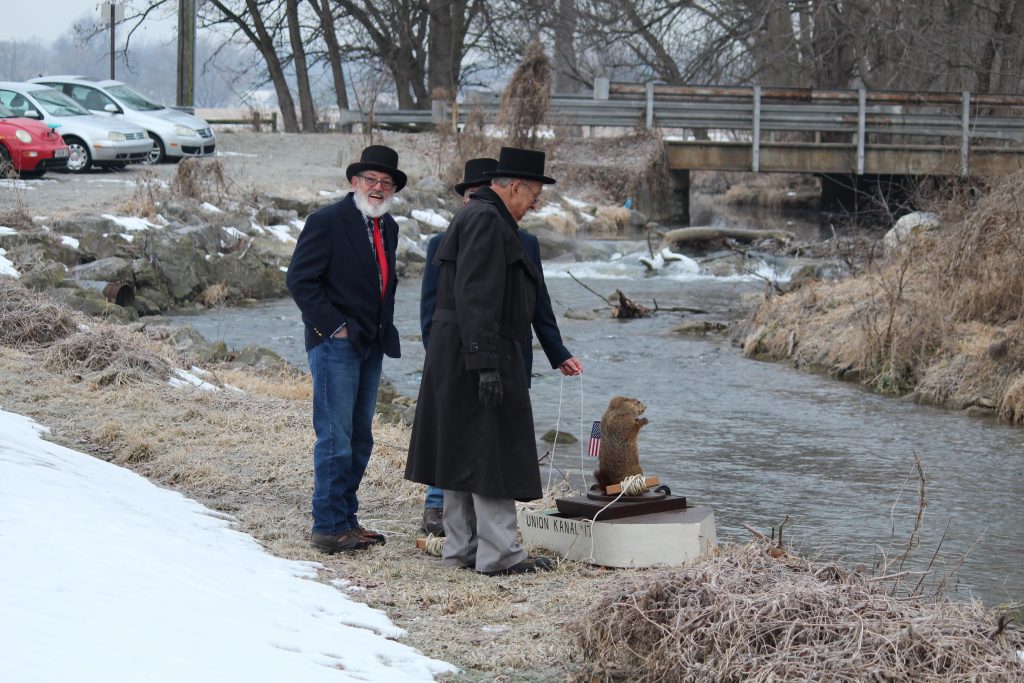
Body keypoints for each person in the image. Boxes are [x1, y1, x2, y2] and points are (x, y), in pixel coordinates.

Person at [405, 146, 563, 576]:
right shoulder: (488, 221)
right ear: (514, 187)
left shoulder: (477, 216)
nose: (534, 204)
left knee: (461, 452)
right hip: (477, 354)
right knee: (491, 452)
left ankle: (462, 550)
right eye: (534, 195)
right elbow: (475, 296)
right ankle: (500, 555)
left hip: (460, 354)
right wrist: (486, 364)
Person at [286, 145, 404, 554]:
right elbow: (300, 280)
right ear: (354, 182)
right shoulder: (327, 221)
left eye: (385, 183)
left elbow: (383, 285)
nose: (377, 188)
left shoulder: (388, 227)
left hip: (371, 343)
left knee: (360, 437)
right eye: (370, 180)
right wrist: (333, 327)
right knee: (335, 437)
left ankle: (347, 519)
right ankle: (327, 525)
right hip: (333, 344)